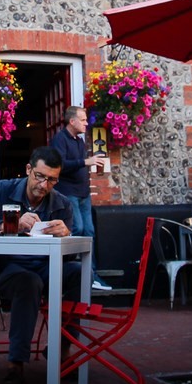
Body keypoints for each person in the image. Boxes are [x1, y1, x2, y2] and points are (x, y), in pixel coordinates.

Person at [0, 146, 81, 384]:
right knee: (28, 282)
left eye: (51, 180)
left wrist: (67, 235)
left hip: (46, 267)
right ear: (28, 170)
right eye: (40, 176)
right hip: (8, 266)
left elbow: (71, 252)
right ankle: (15, 364)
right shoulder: (3, 190)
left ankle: (62, 347)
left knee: (78, 272)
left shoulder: (62, 203)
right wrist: (10, 224)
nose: (44, 184)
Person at [50, 106, 109, 290]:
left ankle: (92, 275)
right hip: (68, 192)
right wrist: (86, 161)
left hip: (83, 193)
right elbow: (59, 165)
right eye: (83, 120)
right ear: (72, 121)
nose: (86, 123)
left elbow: (81, 165)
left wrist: (93, 166)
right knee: (78, 229)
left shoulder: (79, 141)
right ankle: (74, 273)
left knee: (89, 232)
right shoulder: (59, 139)